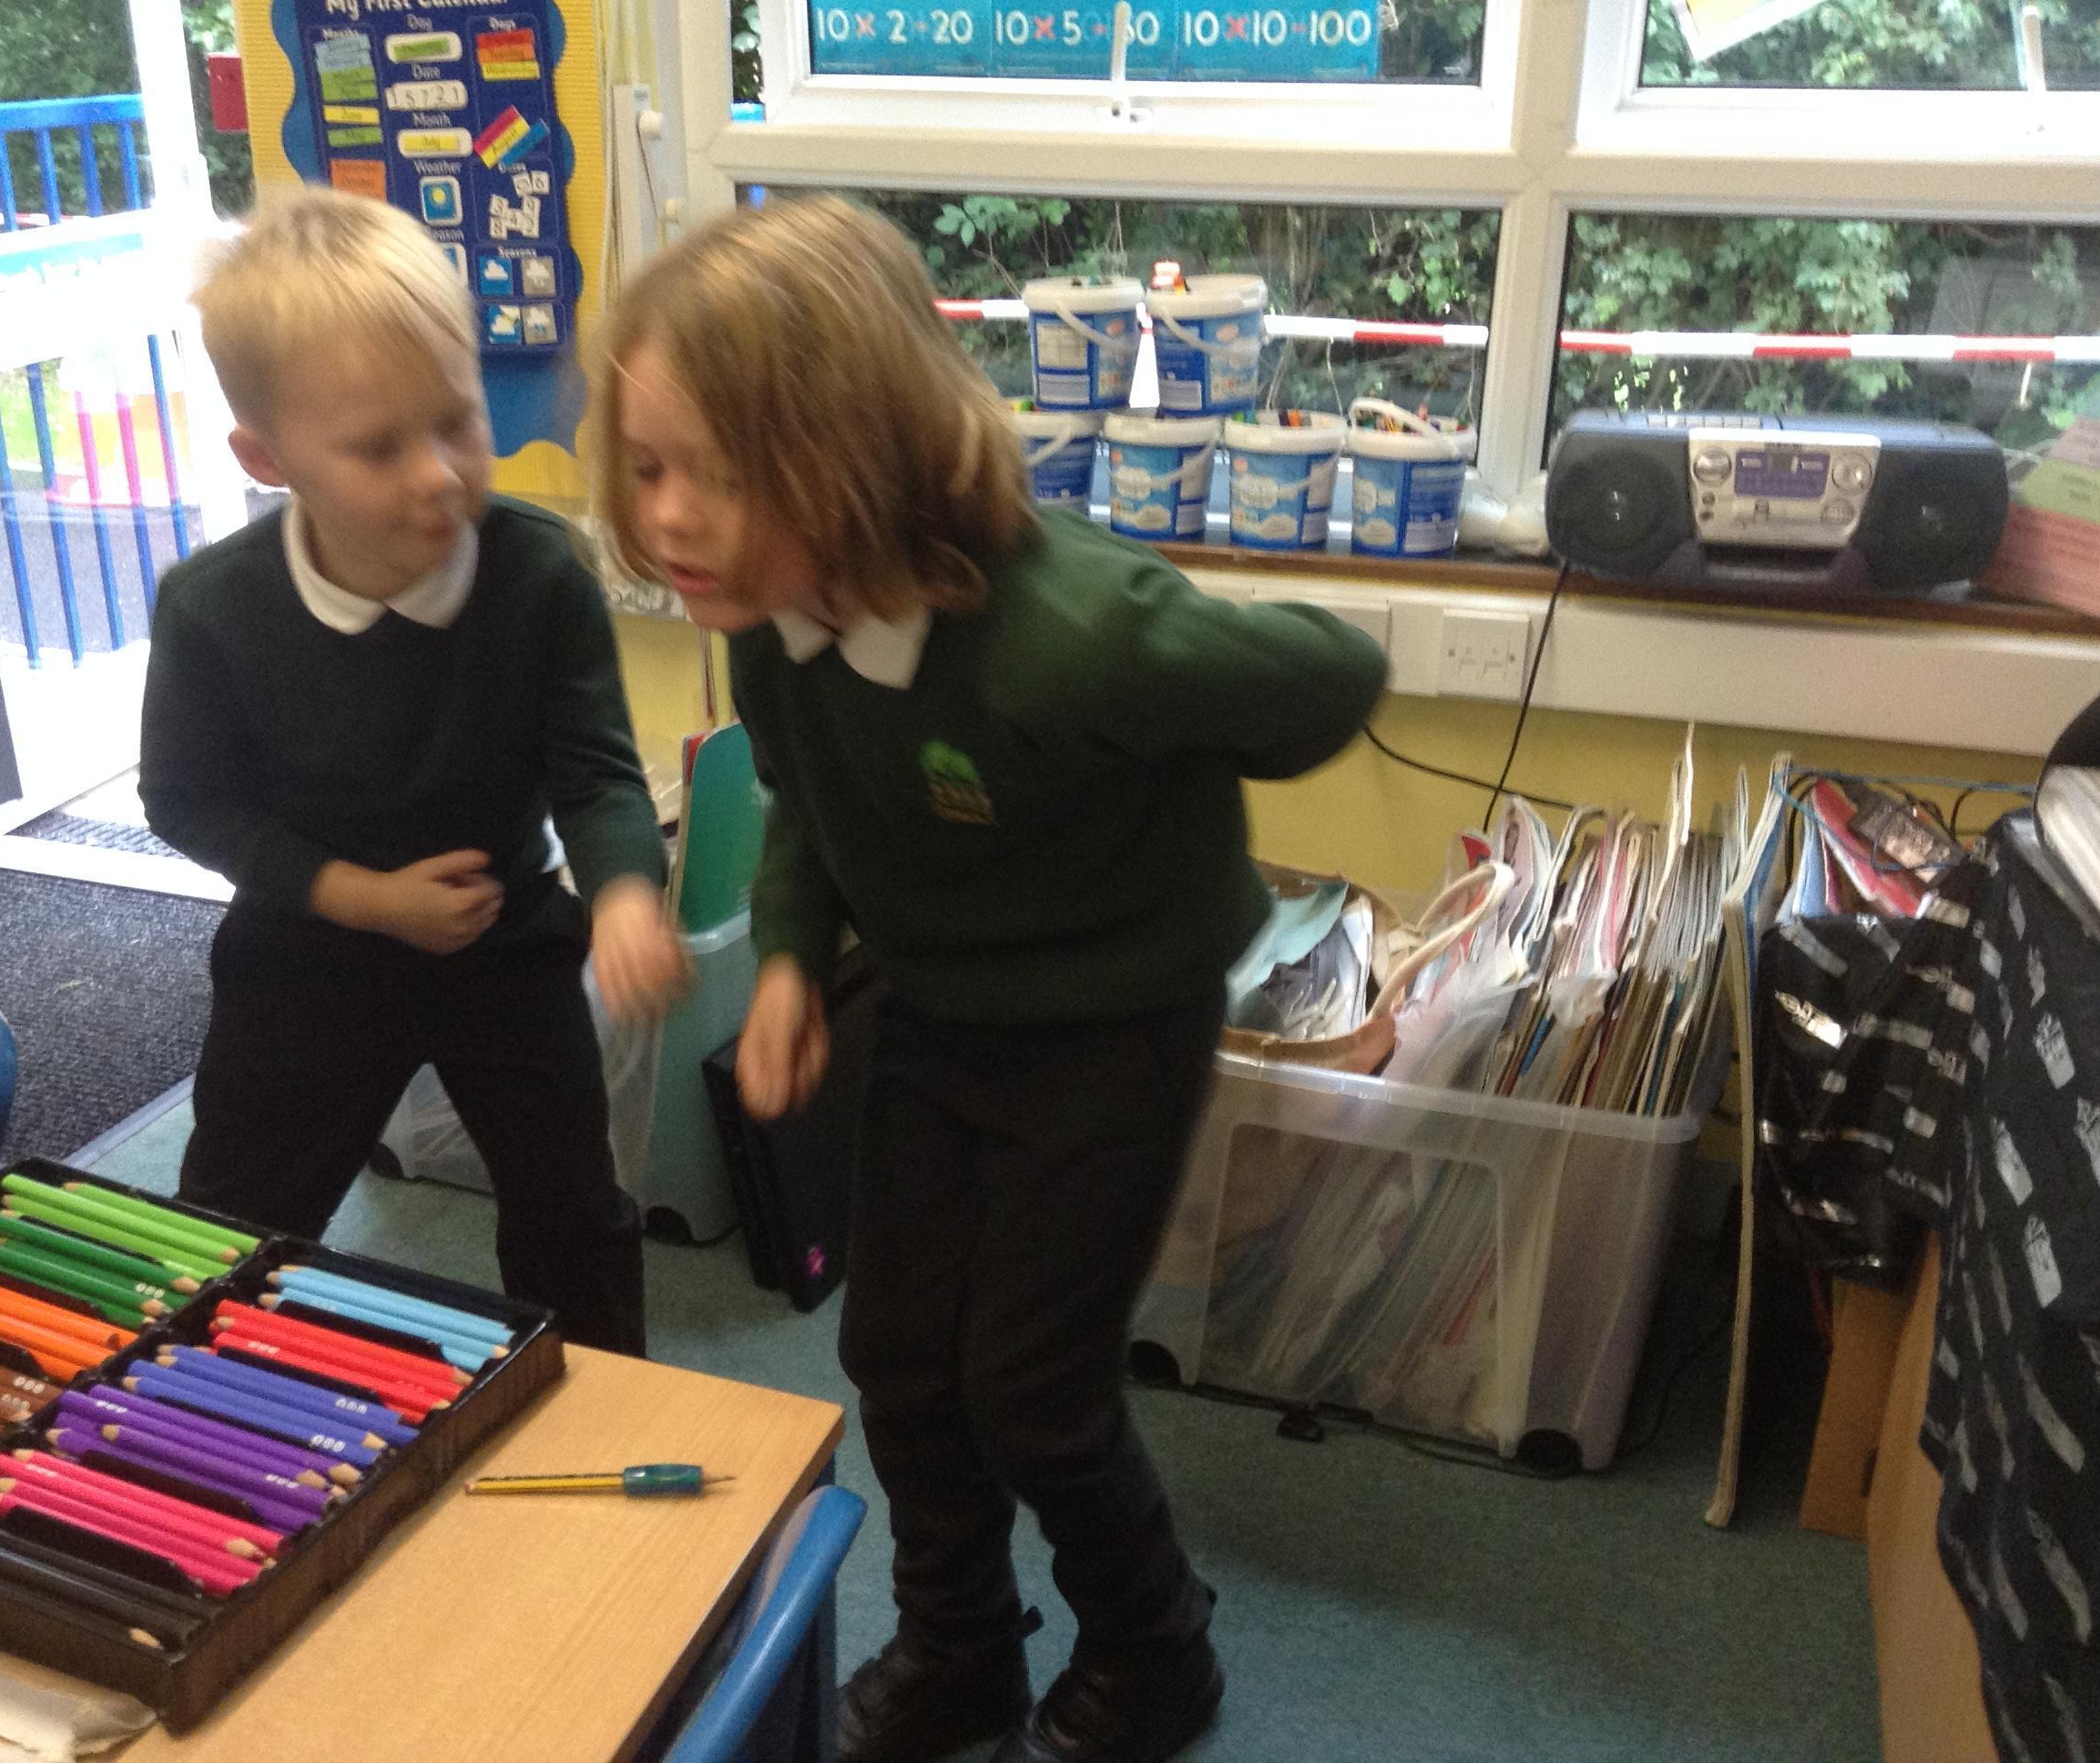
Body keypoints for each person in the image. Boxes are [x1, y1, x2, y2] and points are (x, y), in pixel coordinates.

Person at [589, 196, 1388, 1763]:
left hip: (1114, 1024)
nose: (668, 518)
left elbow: (1332, 676)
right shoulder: (774, 626)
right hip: (944, 1007)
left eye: (717, 474)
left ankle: (1156, 1654)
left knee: (1032, 1386)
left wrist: (1176, 727)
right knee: (895, 1354)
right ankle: (961, 1645)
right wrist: (789, 963)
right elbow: (811, 804)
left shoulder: (1065, 635)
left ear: (858, 453)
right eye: (646, 466)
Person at [138, 186, 686, 1356]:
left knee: (575, 1215)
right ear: (268, 457)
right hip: (306, 950)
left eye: (458, 420)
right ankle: (187, 1394)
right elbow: (186, 800)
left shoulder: (538, 574)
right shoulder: (214, 608)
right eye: (380, 448)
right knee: (229, 1224)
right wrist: (359, 896)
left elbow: (596, 773)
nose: (438, 474)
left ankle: (604, 1402)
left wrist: (627, 896)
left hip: (503, 937)